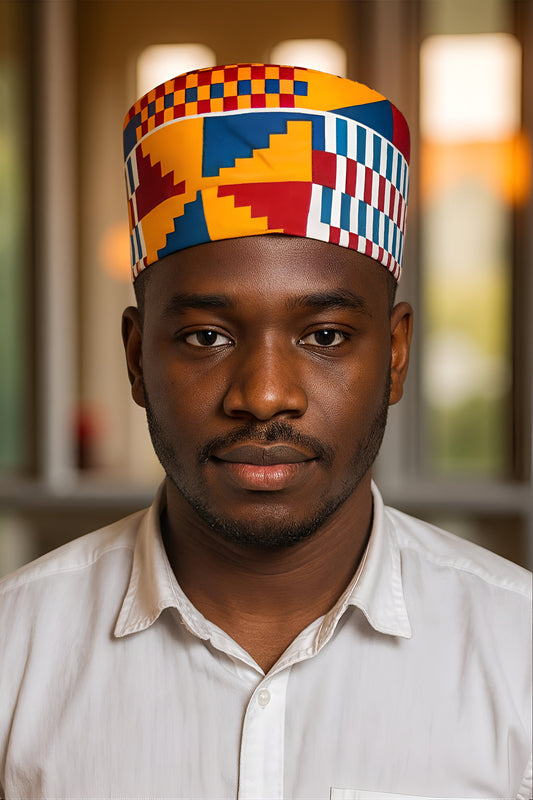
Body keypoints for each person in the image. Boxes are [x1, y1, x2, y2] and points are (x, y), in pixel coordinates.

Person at [0, 63, 531, 800]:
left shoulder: (517, 650)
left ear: (396, 355)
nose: (264, 395)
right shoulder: (13, 653)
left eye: (324, 336)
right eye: (206, 338)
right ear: (135, 358)